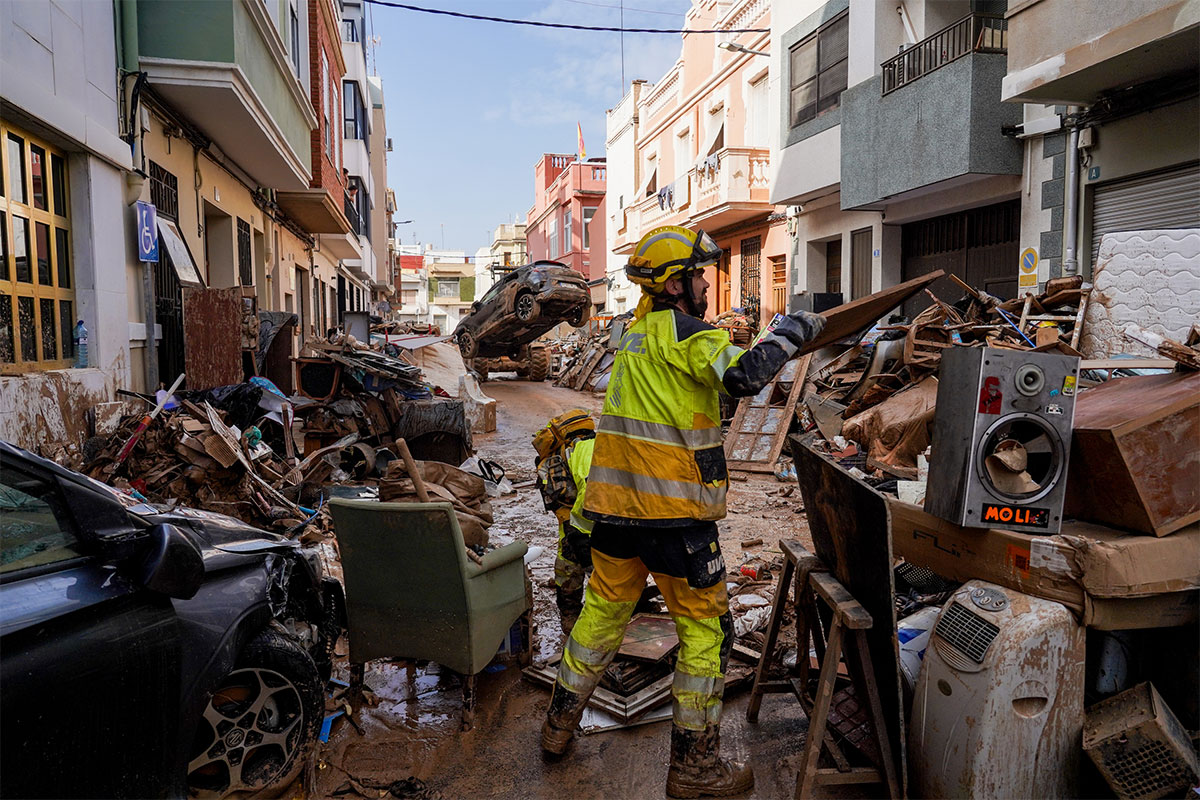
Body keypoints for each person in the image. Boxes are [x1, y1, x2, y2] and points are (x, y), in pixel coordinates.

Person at [540, 226, 826, 798]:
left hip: (612, 518)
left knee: (599, 619)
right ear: (674, 284)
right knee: (705, 633)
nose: (704, 284)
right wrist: (791, 330)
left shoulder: (635, 337)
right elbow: (745, 376)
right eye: (697, 275)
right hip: (673, 521)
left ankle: (556, 727)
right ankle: (694, 768)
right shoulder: (690, 333)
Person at [533, 410, 597, 633]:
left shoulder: (578, 449)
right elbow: (590, 493)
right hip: (578, 518)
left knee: (568, 563)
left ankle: (570, 615)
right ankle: (570, 617)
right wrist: (581, 533)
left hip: (571, 513)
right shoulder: (588, 451)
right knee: (574, 563)